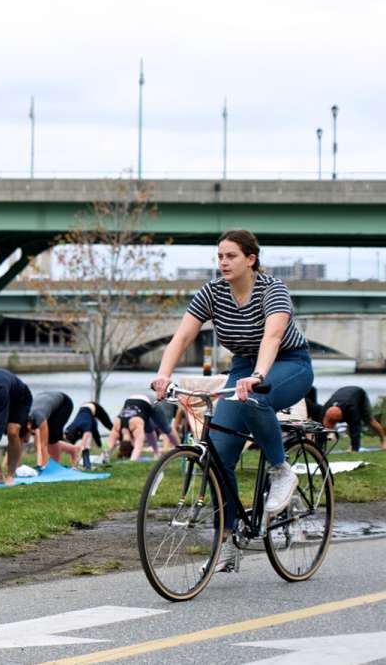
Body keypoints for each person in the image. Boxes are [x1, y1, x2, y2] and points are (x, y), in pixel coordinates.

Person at [152, 229, 312, 573]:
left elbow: (272, 336)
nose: (223, 263)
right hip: (242, 367)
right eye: (220, 257)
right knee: (218, 455)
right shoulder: (212, 293)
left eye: (231, 256)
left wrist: (258, 377)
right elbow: (182, 336)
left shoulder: (273, 290)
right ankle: (228, 539)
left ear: (250, 259)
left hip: (289, 363)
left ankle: (281, 470)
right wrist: (164, 375)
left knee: (255, 400)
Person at [27, 391, 82, 469]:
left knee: (51, 439)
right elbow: (37, 443)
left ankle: (55, 467)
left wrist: (44, 467)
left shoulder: (40, 418)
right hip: (46, 401)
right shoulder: (21, 419)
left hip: (64, 404)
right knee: (42, 440)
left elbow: (43, 445)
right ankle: (74, 449)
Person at [322, 386, 386, 452]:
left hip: (359, 395)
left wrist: (355, 449)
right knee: (342, 427)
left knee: (369, 421)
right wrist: (318, 446)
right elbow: (321, 427)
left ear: (341, 418)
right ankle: (351, 445)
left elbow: (356, 428)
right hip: (344, 397)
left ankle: (383, 439)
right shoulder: (325, 408)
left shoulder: (352, 409)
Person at [63, 402, 112, 469]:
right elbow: (64, 440)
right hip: (85, 412)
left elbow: (83, 446)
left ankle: (88, 464)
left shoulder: (85, 426)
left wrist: (79, 452)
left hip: (94, 407)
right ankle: (88, 464)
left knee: (109, 426)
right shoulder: (69, 429)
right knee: (94, 440)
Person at [107, 395, 154, 461]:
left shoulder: (135, 426)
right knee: (150, 428)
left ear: (132, 443)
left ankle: (156, 453)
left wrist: (131, 460)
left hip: (147, 400)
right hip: (130, 399)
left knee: (151, 428)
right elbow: (107, 446)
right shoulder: (117, 425)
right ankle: (157, 453)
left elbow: (138, 449)